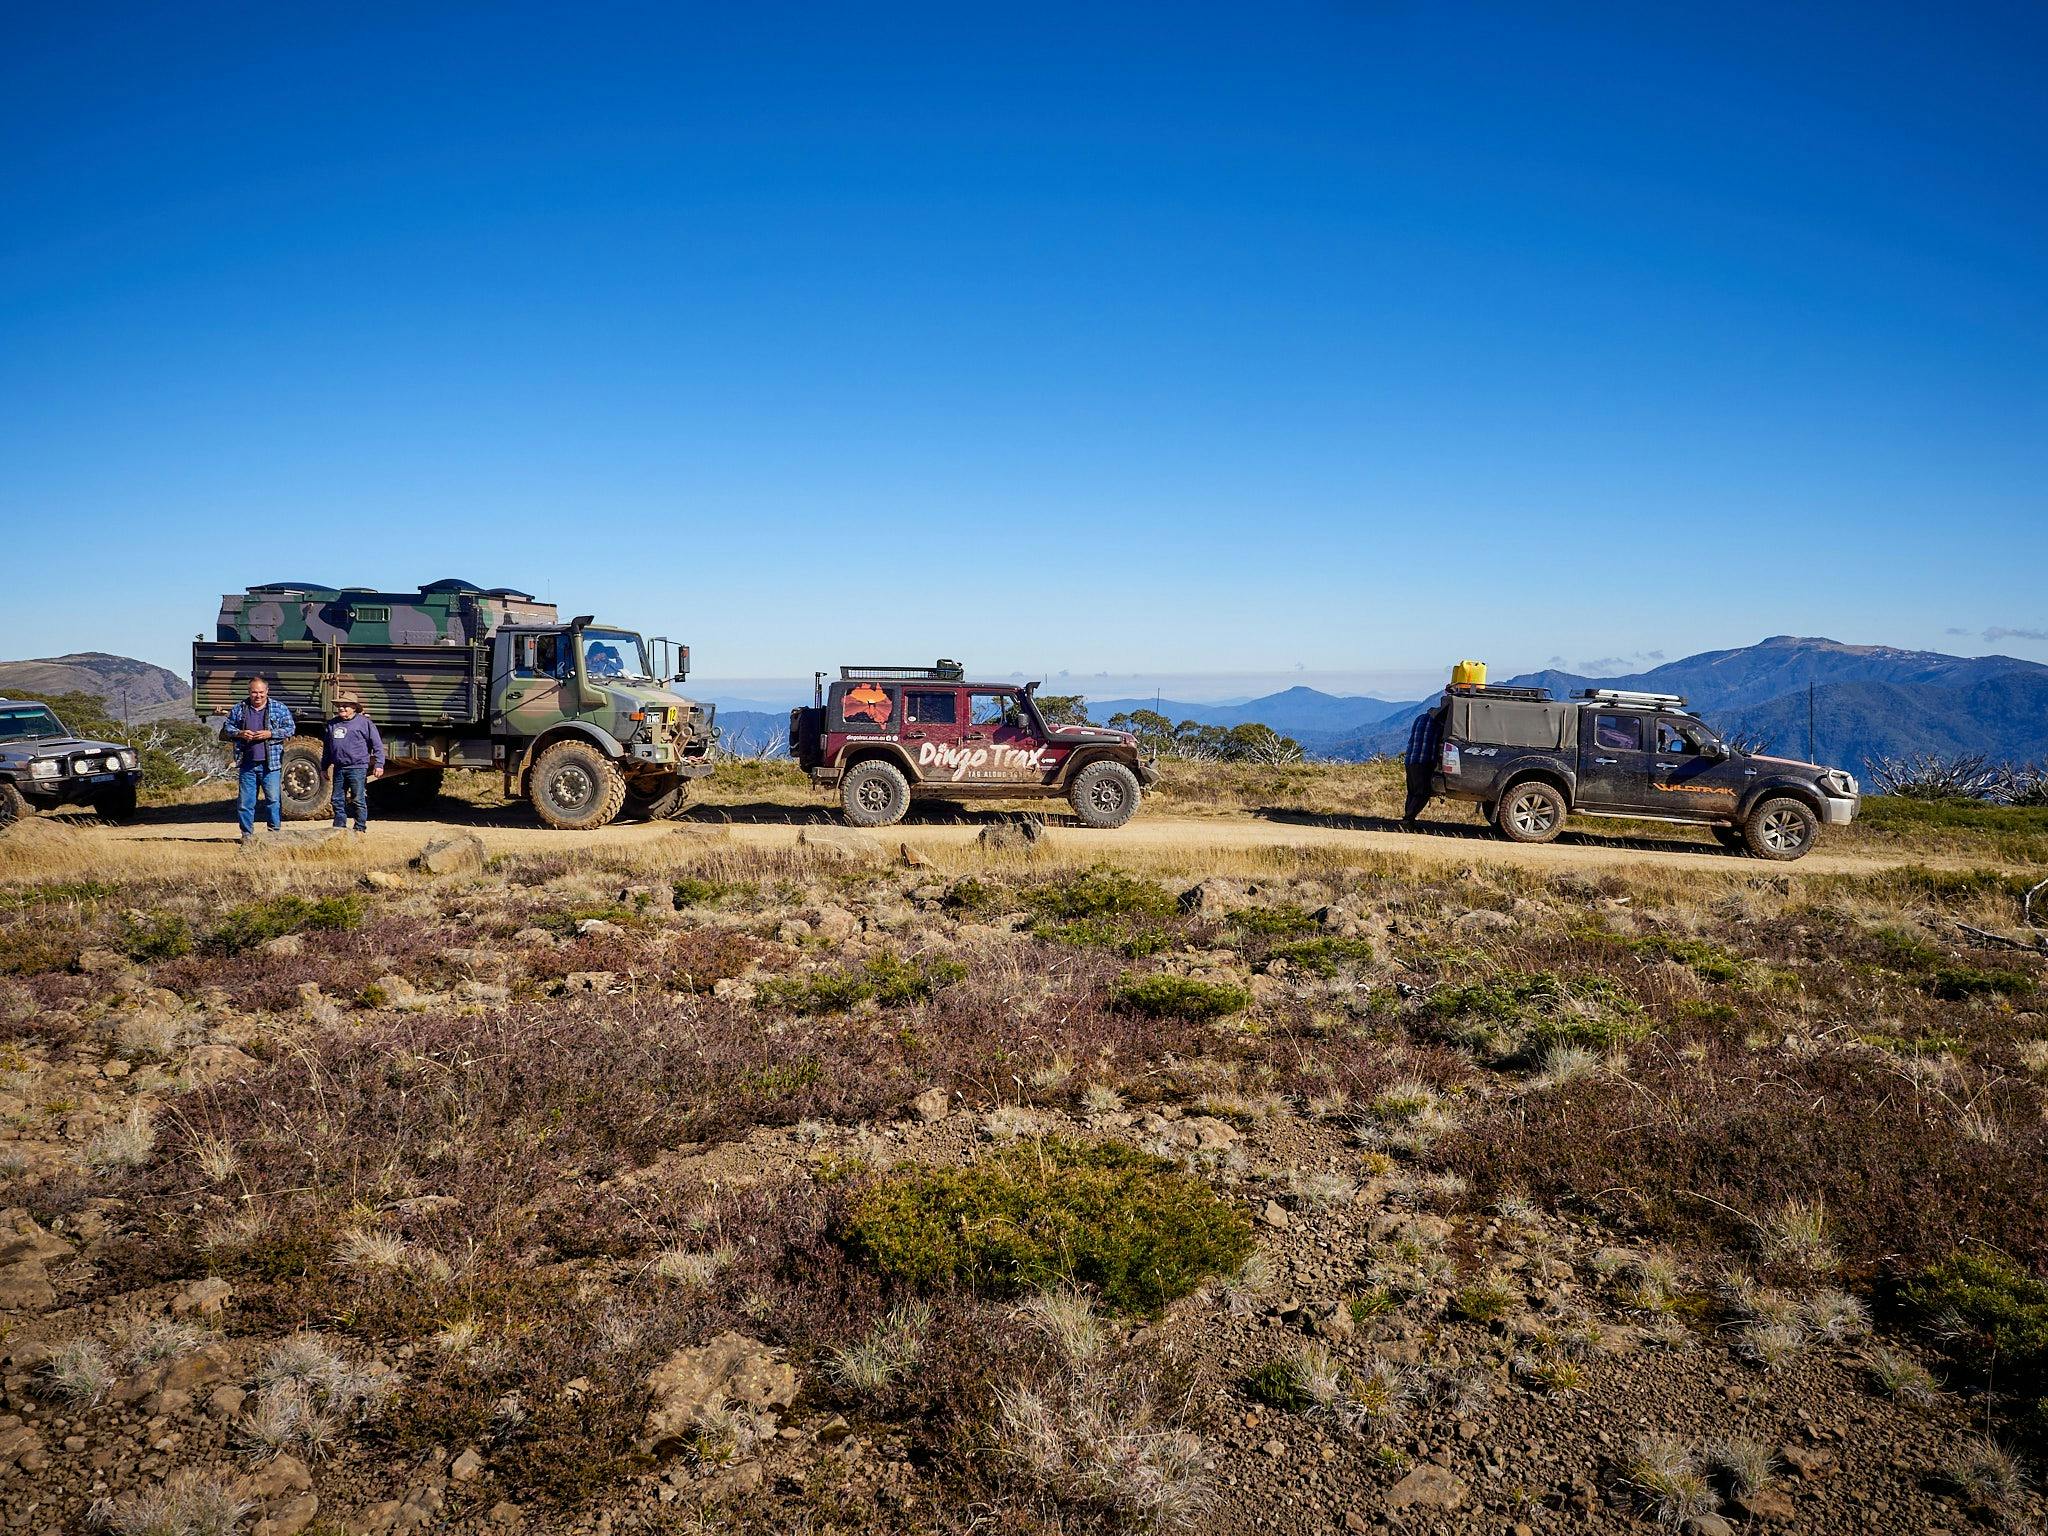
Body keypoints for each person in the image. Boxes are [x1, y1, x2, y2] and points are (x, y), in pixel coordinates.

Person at [223, 677, 295, 843]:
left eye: (261, 692)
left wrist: (271, 734)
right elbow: (228, 727)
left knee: (273, 801)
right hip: (247, 763)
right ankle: (247, 835)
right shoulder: (239, 708)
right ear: (249, 692)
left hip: (271, 764)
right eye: (254, 692)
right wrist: (240, 733)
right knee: (246, 803)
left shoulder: (279, 708)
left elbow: (290, 728)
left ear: (267, 691)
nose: (258, 696)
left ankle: (274, 834)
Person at [321, 688, 385, 832]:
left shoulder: (365, 723)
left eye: (345, 705)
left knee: (358, 799)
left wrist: (379, 764)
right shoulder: (332, 724)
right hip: (339, 768)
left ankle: (360, 828)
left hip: (357, 767)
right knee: (337, 800)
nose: (341, 708)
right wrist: (324, 767)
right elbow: (327, 748)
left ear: (354, 707)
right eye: (340, 706)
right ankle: (339, 828)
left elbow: (377, 745)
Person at [1402, 705, 1442, 823]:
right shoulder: (1438, 723)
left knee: (1412, 791)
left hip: (1410, 759)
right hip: (1424, 761)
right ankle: (1409, 819)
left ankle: (1408, 817)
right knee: (1423, 793)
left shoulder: (1419, 718)